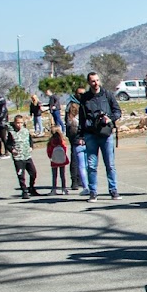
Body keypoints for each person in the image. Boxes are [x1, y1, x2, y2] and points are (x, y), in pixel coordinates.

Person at [79, 71, 122, 201]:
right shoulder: (85, 98)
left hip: (106, 134)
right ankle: (93, 191)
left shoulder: (107, 95)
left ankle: (113, 190)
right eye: (93, 81)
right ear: (89, 82)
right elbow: (81, 118)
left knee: (110, 164)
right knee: (91, 165)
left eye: (97, 80)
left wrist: (109, 119)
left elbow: (117, 111)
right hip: (90, 135)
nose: (95, 83)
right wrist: (81, 136)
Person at [4, 115, 42, 197]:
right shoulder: (12, 133)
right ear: (14, 123)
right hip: (18, 157)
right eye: (17, 123)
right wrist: (12, 150)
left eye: (21, 123)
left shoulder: (25, 131)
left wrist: (31, 147)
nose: (19, 125)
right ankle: (24, 190)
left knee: (33, 173)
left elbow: (30, 140)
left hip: (27, 156)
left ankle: (31, 188)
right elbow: (8, 144)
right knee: (21, 175)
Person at [65, 102, 88, 195]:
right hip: (84, 142)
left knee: (77, 164)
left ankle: (75, 181)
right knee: (86, 165)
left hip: (75, 143)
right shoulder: (81, 119)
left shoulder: (70, 121)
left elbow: (69, 133)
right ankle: (86, 183)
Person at [46, 128, 69, 195]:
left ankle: (54, 189)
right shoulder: (62, 141)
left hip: (54, 160)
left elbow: (49, 151)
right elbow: (65, 149)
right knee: (62, 175)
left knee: (54, 176)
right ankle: (64, 189)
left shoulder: (50, 142)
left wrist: (51, 157)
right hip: (62, 160)